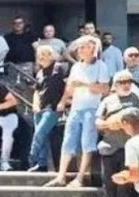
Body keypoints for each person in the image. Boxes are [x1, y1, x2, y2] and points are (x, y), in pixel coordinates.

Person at [46, 35, 110, 187]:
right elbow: (69, 87)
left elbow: (104, 89)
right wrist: (63, 101)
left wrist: (84, 84)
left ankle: (80, 178)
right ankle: (61, 176)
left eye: (83, 47)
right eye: (79, 47)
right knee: (67, 141)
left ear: (92, 49)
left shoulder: (101, 66)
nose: (79, 50)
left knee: (87, 143)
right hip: (75, 108)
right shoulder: (76, 67)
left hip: (91, 109)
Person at [95, 70, 139, 197]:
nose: (126, 85)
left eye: (129, 82)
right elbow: (98, 122)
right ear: (115, 84)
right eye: (122, 82)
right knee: (108, 179)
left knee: (125, 180)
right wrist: (110, 123)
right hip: (110, 146)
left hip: (130, 147)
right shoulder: (107, 101)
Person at [28, 45, 66, 172]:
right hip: (40, 107)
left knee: (39, 133)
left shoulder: (59, 67)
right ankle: (41, 163)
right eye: (39, 54)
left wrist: (63, 101)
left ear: (51, 55)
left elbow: (67, 86)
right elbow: (36, 91)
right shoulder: (40, 72)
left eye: (44, 54)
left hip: (53, 107)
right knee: (42, 137)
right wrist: (35, 104)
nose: (41, 57)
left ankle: (32, 155)